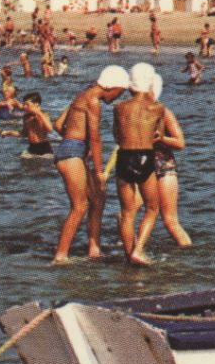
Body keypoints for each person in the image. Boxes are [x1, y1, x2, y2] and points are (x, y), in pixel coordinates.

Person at [52, 64, 130, 263]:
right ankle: (60, 256)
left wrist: (72, 140)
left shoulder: (82, 95)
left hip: (70, 150)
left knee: (98, 199)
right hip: (71, 154)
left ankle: (93, 249)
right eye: (119, 93)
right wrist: (99, 172)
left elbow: (58, 125)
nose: (117, 98)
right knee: (80, 205)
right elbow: (95, 139)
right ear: (111, 87)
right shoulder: (93, 100)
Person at [112, 62, 166, 265]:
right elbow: (158, 134)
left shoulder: (119, 108)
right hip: (145, 156)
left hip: (124, 156)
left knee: (127, 212)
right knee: (152, 208)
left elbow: (117, 136)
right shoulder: (157, 108)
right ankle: (139, 249)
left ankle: (129, 257)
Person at [147, 68, 192, 248]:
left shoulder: (164, 112)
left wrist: (162, 138)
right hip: (139, 165)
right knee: (127, 214)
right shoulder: (131, 111)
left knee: (170, 220)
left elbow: (180, 143)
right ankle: (133, 252)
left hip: (163, 165)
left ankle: (188, 256)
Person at [18, 91, 55, 158]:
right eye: (24, 104)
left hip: (44, 147)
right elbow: (24, 133)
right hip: (32, 147)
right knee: (23, 161)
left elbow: (50, 129)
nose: (24, 107)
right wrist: (9, 132)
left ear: (36, 104)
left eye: (27, 104)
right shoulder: (26, 117)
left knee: (43, 165)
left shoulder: (44, 115)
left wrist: (39, 113)